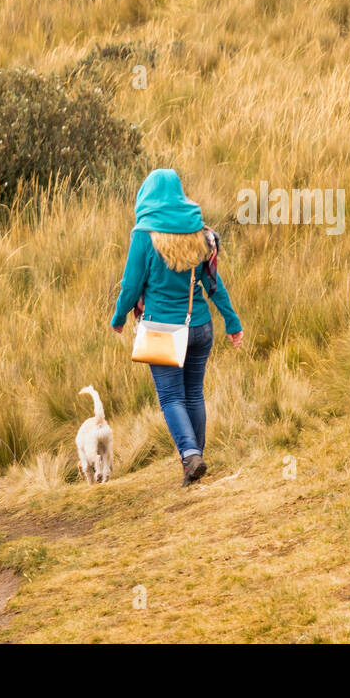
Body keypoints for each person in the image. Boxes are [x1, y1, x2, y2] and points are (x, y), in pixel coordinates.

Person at [111, 169, 243, 486]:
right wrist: (232, 321)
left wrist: (118, 318)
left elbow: (131, 286)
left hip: (162, 331)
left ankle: (190, 456)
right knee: (194, 394)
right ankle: (193, 464)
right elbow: (214, 285)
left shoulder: (144, 235)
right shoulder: (198, 231)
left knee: (171, 398)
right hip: (200, 326)